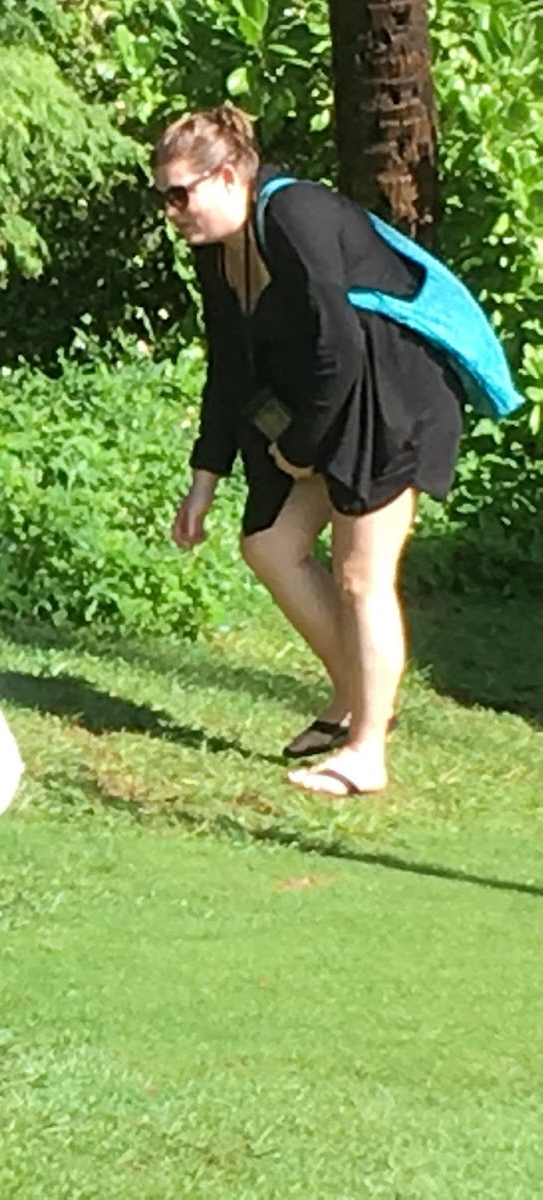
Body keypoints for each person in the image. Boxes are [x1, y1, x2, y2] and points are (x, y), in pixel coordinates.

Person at [153, 104, 463, 798]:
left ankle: (366, 751)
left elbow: (340, 344)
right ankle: (358, 698)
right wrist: (205, 477)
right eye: (162, 197)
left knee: (361, 573)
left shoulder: (293, 216)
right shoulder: (216, 249)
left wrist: (301, 446)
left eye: (180, 195)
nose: (172, 213)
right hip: (337, 407)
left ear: (228, 174)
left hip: (393, 402)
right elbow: (228, 364)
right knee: (269, 543)